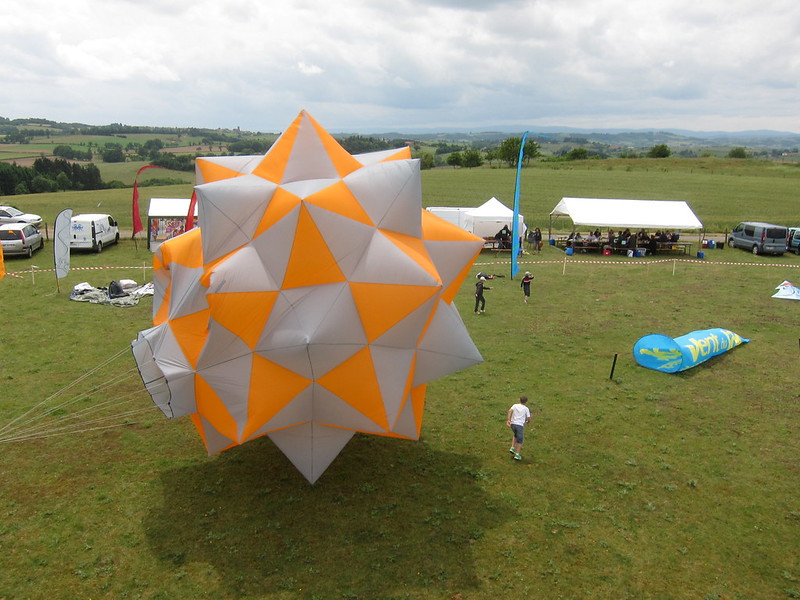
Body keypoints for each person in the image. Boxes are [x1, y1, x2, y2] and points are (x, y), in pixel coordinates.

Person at [506, 396, 531, 460]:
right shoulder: (526, 409)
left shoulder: (515, 405)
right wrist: (527, 421)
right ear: (526, 402)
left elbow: (510, 411)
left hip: (513, 424)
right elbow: (528, 418)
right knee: (520, 440)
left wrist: (508, 419)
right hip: (519, 425)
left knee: (515, 435)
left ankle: (512, 447)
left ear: (519, 400)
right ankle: (517, 454)